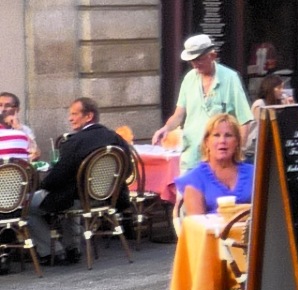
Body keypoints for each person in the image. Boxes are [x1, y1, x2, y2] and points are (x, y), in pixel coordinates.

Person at [28, 98, 130, 265]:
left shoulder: (75, 142)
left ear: (88, 116)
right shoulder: (116, 139)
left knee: (27, 205)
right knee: (71, 192)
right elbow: (128, 170)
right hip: (107, 199)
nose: (70, 118)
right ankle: (73, 248)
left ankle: (52, 251)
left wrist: (42, 185)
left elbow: (58, 177)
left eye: (74, 114)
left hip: (78, 199)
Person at [153, 34, 252, 171]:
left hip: (220, 160)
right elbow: (179, 115)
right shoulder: (189, 78)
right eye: (192, 60)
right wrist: (165, 129)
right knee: (188, 192)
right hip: (192, 157)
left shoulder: (230, 78)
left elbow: (244, 120)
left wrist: (239, 151)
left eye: (199, 59)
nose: (195, 64)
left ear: (212, 56)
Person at [177, 113, 254, 215]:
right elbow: (197, 227)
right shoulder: (194, 179)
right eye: (216, 135)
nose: (222, 141)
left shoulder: (254, 173)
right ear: (207, 142)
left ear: (237, 142)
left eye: (228, 135)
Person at [244, 74, 285, 159]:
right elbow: (266, 125)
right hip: (254, 150)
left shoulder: (278, 103)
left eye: (282, 88)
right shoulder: (260, 104)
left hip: (269, 148)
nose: (282, 91)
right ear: (270, 88)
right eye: (279, 88)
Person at [0, 93, 37, 162]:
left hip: (18, 170)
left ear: (17, 110)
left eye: (7, 106)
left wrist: (19, 129)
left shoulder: (24, 129)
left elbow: (36, 154)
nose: (3, 109)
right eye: (0, 105)